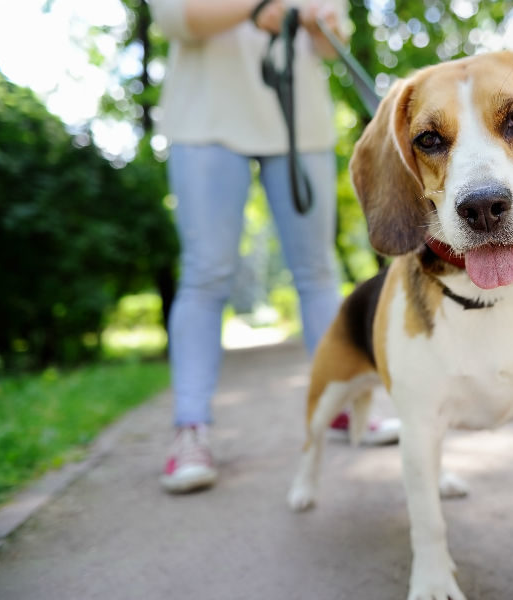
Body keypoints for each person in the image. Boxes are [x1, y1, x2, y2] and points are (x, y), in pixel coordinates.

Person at [148, 0, 399, 494]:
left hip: (298, 124)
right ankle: (190, 431)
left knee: (317, 272)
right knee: (205, 273)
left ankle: (344, 405)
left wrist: (316, 21)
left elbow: (331, 44)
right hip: (204, 120)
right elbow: (179, 19)